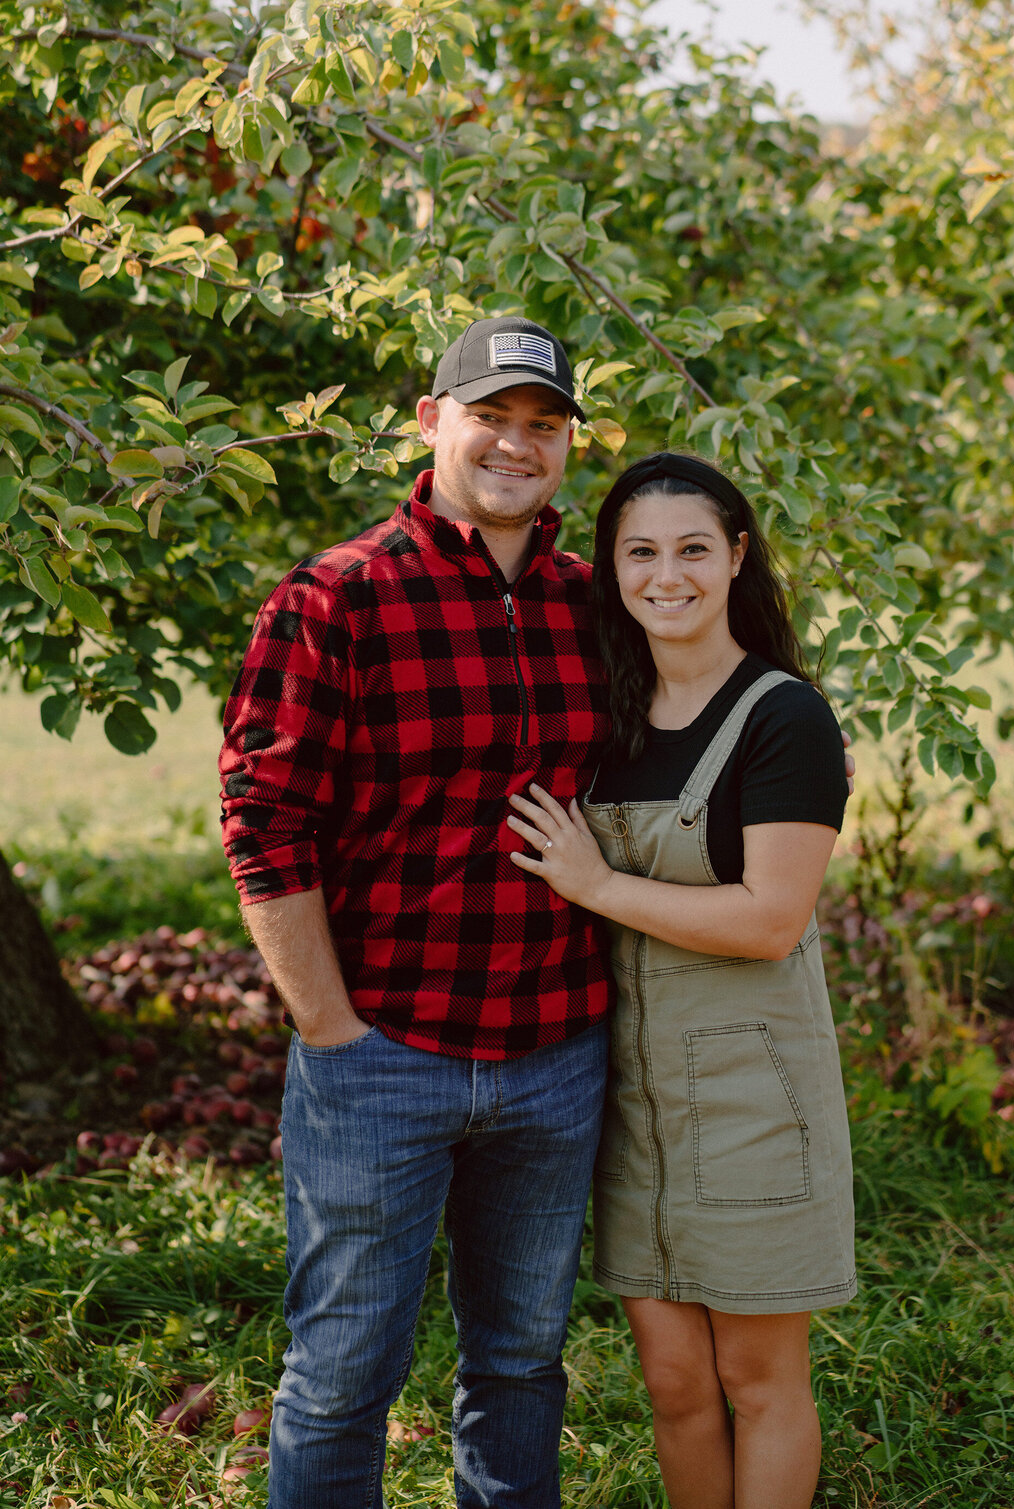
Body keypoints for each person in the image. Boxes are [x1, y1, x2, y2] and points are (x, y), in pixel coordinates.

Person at [218, 315, 614, 1509]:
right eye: (491, 416)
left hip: (557, 1051)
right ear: (433, 423)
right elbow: (264, 822)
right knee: (342, 1375)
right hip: (382, 1051)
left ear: (566, 451)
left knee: (522, 1363)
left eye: (544, 426)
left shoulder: (599, 608)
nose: (517, 444)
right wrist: (331, 1028)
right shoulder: (333, 599)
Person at [506, 451, 855, 1509]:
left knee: (757, 1377)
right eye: (641, 551)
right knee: (671, 1383)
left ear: (737, 557)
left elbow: (768, 920)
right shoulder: (608, 715)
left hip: (751, 1091)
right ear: (610, 567)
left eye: (694, 549)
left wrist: (593, 882)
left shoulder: (784, 718)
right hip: (631, 1097)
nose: (669, 575)